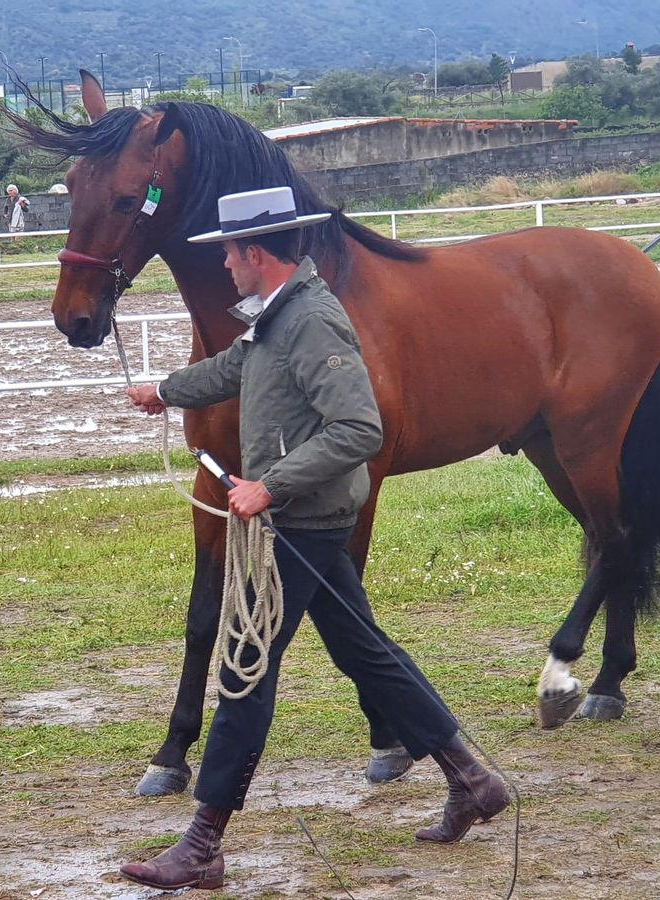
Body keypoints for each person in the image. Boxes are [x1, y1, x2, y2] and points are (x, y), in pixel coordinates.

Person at [120, 186, 510, 892]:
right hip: (307, 518)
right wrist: (168, 390)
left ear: (257, 253)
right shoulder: (275, 315)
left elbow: (360, 429)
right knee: (370, 653)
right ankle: (473, 779)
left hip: (300, 521)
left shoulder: (313, 320)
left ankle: (203, 843)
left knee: (244, 666)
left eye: (231, 253)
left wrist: (270, 486)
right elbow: (238, 369)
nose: (225, 266)